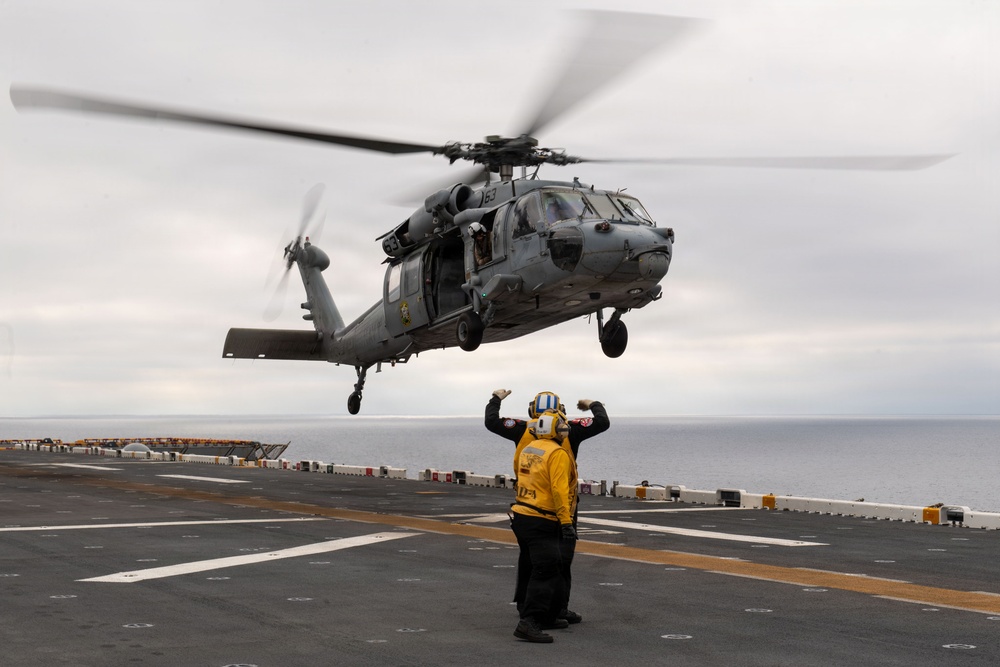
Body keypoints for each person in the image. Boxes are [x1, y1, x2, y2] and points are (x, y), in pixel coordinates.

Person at [485, 389, 610, 624]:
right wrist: (593, 403)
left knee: (530, 560)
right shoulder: (568, 432)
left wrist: (496, 398)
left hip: (526, 505)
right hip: (559, 509)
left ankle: (528, 607)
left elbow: (491, 421)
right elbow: (602, 422)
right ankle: (554, 609)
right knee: (559, 561)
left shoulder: (522, 430)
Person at [509, 411, 577, 643]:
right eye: (561, 427)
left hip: (522, 515)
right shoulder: (558, 453)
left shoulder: (530, 447)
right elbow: (560, 490)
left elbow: (517, 467)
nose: (564, 431)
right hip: (542, 519)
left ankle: (547, 616)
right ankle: (529, 622)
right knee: (546, 568)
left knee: (539, 565)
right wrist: (566, 521)